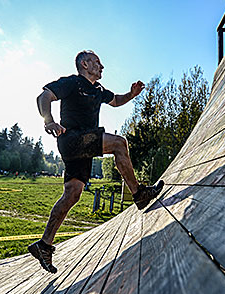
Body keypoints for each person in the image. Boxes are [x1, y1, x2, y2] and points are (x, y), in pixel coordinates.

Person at [28, 50, 164, 273]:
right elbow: (44, 96)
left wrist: (131, 94)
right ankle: (139, 194)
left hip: (84, 146)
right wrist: (49, 122)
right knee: (119, 144)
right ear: (84, 64)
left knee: (72, 194)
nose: (102, 67)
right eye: (97, 63)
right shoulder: (72, 82)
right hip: (72, 138)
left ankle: (44, 245)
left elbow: (116, 100)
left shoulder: (98, 90)